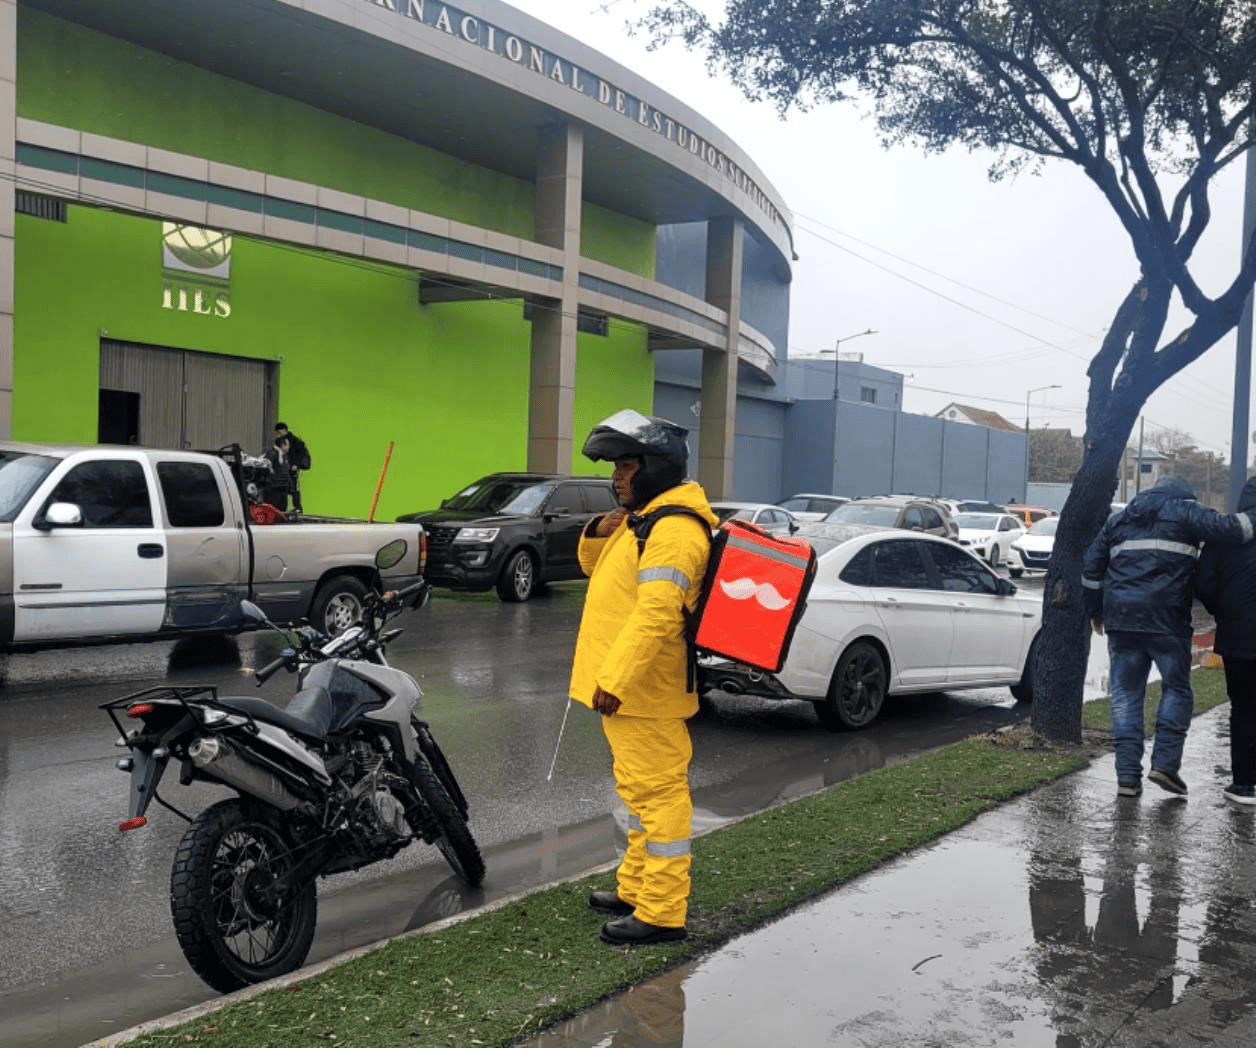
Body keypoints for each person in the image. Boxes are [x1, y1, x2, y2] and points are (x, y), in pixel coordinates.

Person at [568, 409, 718, 946]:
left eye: (627, 466)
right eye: (616, 467)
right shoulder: (643, 519)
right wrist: (598, 529)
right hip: (628, 691)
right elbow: (595, 568)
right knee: (637, 793)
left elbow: (657, 614)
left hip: (641, 691)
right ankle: (636, 887)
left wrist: (618, 679)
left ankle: (661, 911)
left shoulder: (675, 529)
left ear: (655, 466)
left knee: (658, 797)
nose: (617, 477)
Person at [1083, 475, 1253, 798]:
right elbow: (1235, 529)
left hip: (1122, 621)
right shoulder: (1185, 511)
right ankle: (1164, 764)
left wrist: (1096, 611)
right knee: (1177, 688)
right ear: (1183, 495)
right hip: (1167, 619)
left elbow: (1091, 570)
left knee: (1126, 695)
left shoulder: (1120, 519)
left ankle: (1127, 779)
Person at [1194, 475, 1256, 806]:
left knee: (1244, 709)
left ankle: (1245, 785)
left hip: (1238, 637)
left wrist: (1224, 611)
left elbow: (1203, 584)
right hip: (1239, 632)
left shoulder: (1224, 538)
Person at [274, 422, 310, 513]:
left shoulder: (293, 441)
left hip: (290, 467)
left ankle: (297, 507)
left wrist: (296, 464)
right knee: (288, 488)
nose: (278, 433)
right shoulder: (290, 440)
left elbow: (301, 453)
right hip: (287, 467)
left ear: (283, 430)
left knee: (292, 488)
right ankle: (293, 507)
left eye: (278, 431)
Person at [263, 437, 292, 512]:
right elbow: (265, 466)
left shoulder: (284, 455)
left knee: (282, 510)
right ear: (283, 445)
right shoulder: (273, 453)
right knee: (272, 510)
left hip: (283, 488)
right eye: (287, 445)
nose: (288, 447)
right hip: (274, 489)